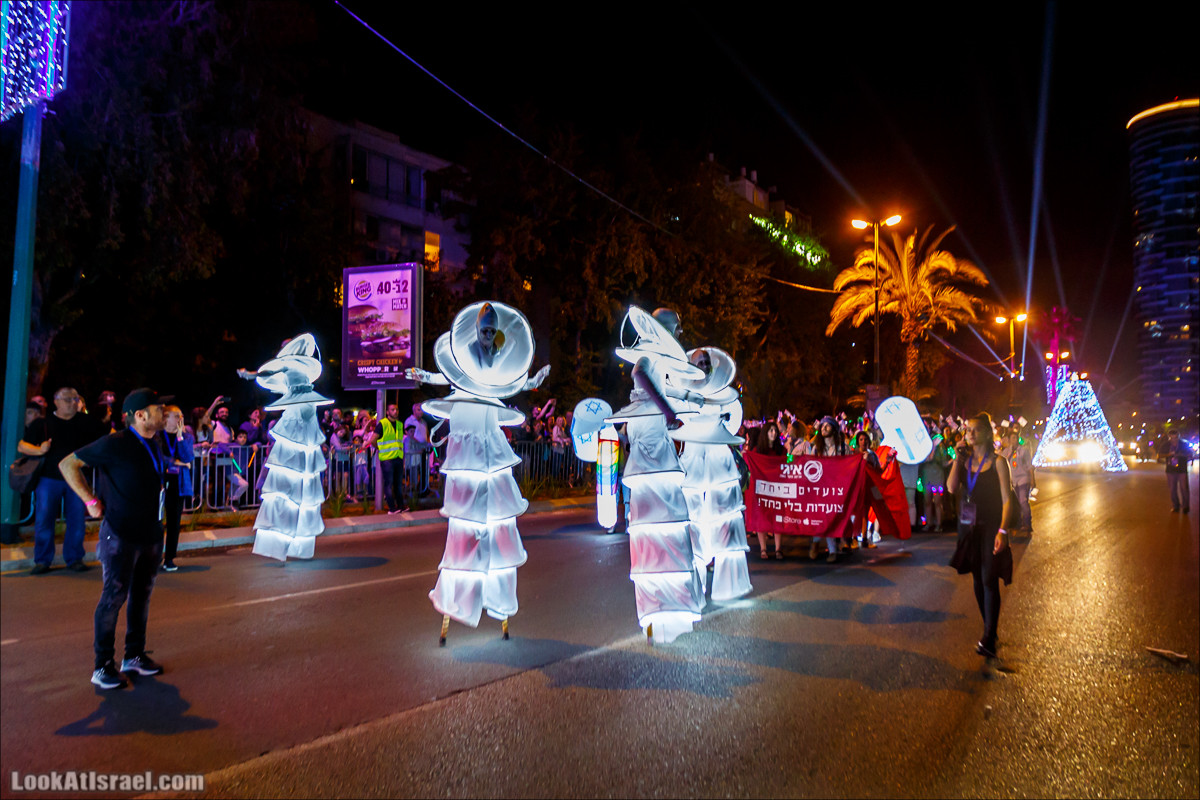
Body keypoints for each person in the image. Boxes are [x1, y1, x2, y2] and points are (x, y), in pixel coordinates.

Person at [407, 301, 549, 641]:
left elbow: (506, 383)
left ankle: (497, 599)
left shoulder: (495, 353)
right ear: (476, 329)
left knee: (495, 513)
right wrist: (425, 377)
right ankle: (459, 597)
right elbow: (448, 377)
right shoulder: (466, 352)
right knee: (467, 514)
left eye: (492, 331)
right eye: (485, 330)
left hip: (487, 424)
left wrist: (532, 381)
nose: (488, 336)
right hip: (467, 423)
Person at [59, 388, 170, 689]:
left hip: (150, 533)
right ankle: (103, 666)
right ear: (140, 415)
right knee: (113, 597)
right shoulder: (116, 442)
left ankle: (134, 656)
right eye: (159, 409)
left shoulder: (155, 442)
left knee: (141, 596)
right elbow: (68, 464)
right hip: (120, 534)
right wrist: (90, 501)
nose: (164, 413)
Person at [239, 334, 332, 561]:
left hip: (305, 414)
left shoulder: (297, 367)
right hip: (298, 414)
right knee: (291, 474)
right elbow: (271, 375)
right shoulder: (290, 368)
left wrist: (251, 375)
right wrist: (252, 375)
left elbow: (269, 373)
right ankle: (287, 538)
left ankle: (297, 541)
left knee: (301, 473)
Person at [18, 387, 108, 574]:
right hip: (48, 478)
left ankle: (74, 558)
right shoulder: (43, 423)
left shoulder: (86, 422)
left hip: (77, 480)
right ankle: (42, 560)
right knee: (44, 519)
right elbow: (22, 446)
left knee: (77, 519)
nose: (72, 403)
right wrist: (40, 450)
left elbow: (108, 435)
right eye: (67, 399)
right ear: (56, 401)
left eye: (75, 399)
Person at [947, 412, 1014, 660]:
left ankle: (988, 637)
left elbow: (1007, 500)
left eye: (975, 430)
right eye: (968, 430)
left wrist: (1003, 531)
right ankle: (990, 631)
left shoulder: (998, 462)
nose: (970, 434)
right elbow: (951, 487)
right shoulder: (964, 461)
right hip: (969, 526)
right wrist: (957, 458)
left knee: (988, 578)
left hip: (991, 526)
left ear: (987, 433)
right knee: (977, 578)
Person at [159, 406, 195, 572]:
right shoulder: (157, 435)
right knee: (156, 522)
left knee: (174, 523)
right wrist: (176, 462)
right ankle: (153, 556)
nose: (180, 419)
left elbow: (188, 457)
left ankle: (169, 558)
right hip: (160, 483)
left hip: (178, 484)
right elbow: (159, 457)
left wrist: (180, 438)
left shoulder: (187, 436)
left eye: (181, 415)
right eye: (176, 416)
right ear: (166, 418)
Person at [811, 416, 850, 562]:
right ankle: (829, 549)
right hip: (821, 489)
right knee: (822, 517)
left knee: (832, 518)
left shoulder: (843, 448)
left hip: (837, 489)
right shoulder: (816, 449)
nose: (824, 428)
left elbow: (850, 466)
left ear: (834, 429)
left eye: (827, 426)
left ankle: (817, 543)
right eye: (822, 426)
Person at [370, 404, 406, 514]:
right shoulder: (383, 424)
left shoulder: (400, 424)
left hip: (398, 457)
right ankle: (392, 508)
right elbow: (373, 440)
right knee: (389, 484)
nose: (395, 411)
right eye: (392, 409)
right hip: (387, 459)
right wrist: (379, 448)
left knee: (398, 484)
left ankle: (401, 506)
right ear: (387, 412)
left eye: (397, 409)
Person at [1002, 430, 1035, 532]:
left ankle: (1027, 524)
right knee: (1015, 504)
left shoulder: (1024, 451)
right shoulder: (1006, 452)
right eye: (1012, 438)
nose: (1014, 440)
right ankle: (1019, 523)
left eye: (1016, 438)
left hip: (1023, 479)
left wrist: (1032, 479)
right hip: (1013, 481)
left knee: (1023, 501)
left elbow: (1029, 466)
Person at [921, 423, 952, 532]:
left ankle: (939, 524)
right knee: (927, 501)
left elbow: (944, 463)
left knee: (938, 502)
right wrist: (933, 447)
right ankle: (928, 523)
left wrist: (953, 460)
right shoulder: (924, 447)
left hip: (938, 476)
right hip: (927, 475)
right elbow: (927, 459)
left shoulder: (941, 447)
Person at [853, 431, 881, 548]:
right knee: (855, 513)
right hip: (856, 488)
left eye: (865, 439)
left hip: (867, 487)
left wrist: (888, 461)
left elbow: (878, 470)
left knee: (865, 513)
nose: (863, 442)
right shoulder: (854, 454)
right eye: (861, 439)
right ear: (858, 441)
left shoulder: (872, 455)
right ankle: (854, 538)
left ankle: (864, 539)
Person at [1159, 430, 1193, 513]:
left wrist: (1181, 455)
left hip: (1182, 469)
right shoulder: (1165, 445)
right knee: (1172, 489)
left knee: (1184, 488)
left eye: (1175, 438)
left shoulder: (1184, 444)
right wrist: (1168, 454)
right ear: (1169, 437)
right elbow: (1159, 455)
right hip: (1170, 470)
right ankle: (1176, 506)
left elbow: (1190, 454)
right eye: (1172, 438)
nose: (1174, 440)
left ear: (1179, 437)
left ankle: (1185, 506)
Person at [402, 424, 431, 507]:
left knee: (413, 481)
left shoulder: (413, 439)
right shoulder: (407, 440)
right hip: (410, 464)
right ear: (407, 432)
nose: (413, 433)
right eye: (411, 431)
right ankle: (408, 494)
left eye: (414, 431)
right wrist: (418, 451)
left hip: (414, 463)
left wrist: (428, 445)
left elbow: (420, 445)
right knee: (412, 481)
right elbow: (408, 450)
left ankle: (409, 494)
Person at [351, 434, 371, 502]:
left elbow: (366, 448)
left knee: (366, 477)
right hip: (357, 464)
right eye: (356, 440)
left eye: (358, 440)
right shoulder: (353, 447)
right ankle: (358, 492)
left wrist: (363, 447)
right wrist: (357, 449)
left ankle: (365, 491)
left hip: (364, 463)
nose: (357, 441)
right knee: (358, 478)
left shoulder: (364, 446)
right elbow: (352, 455)